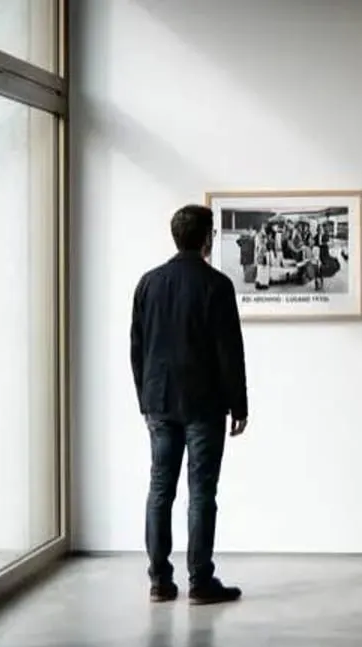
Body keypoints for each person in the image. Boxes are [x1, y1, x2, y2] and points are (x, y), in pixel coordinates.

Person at [130, 204, 248, 606]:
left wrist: (145, 398)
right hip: (204, 403)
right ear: (207, 238)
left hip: (160, 401)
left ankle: (159, 581)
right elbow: (229, 351)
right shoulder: (217, 285)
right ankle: (200, 581)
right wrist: (239, 404)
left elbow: (137, 348)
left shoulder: (148, 283)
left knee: (160, 488)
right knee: (201, 492)